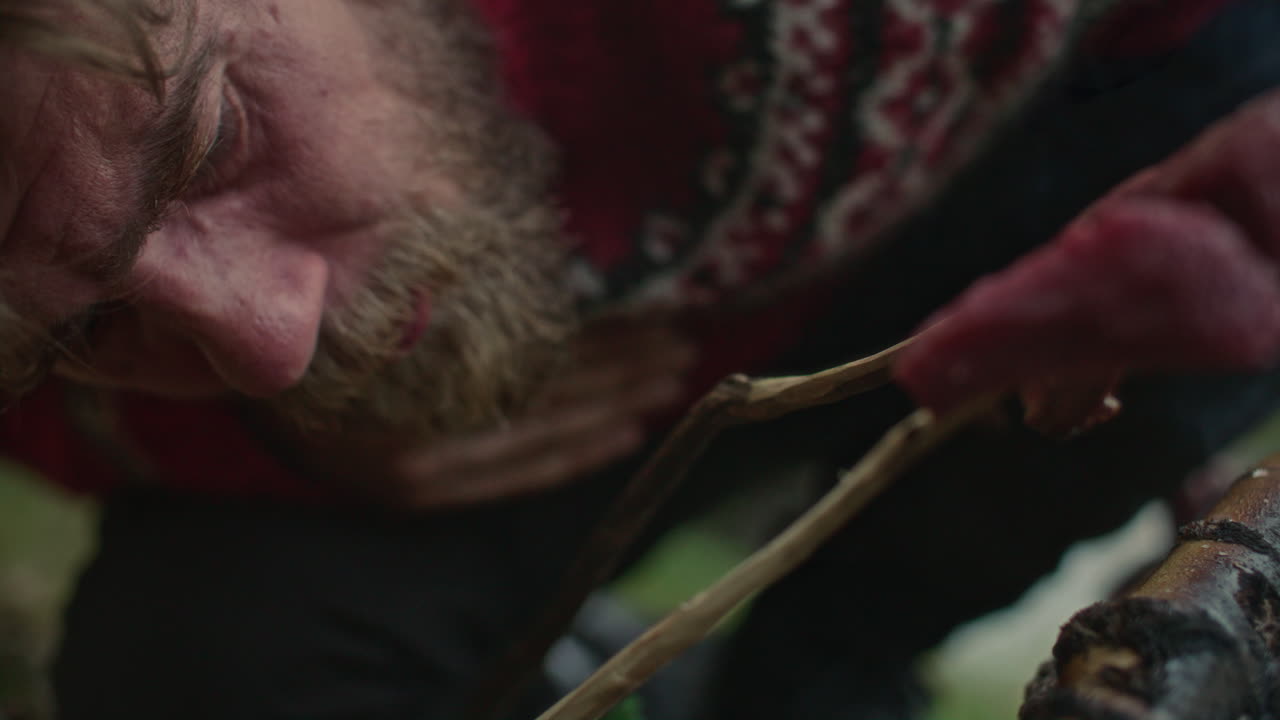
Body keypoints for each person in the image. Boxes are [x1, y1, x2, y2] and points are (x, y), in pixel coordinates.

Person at [2, 0, 1280, 718]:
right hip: (507, 439)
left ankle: (826, 663)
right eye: (89, 329)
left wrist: (1187, 212)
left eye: (213, 137)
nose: (269, 345)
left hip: (1002, 206)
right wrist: (254, 436)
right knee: (203, 658)